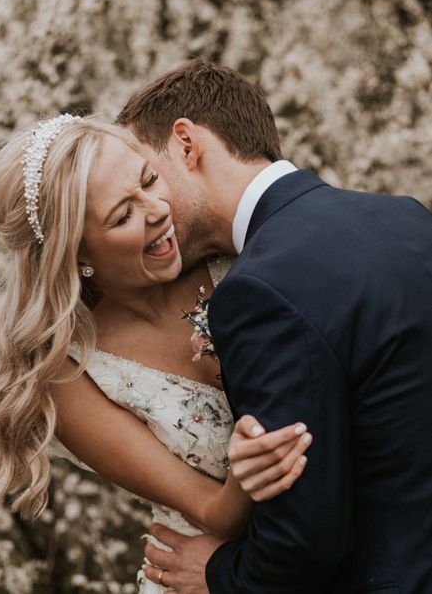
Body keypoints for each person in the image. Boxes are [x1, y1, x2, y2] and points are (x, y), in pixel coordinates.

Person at [0, 113, 311, 593]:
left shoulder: (228, 250)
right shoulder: (72, 375)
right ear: (77, 254)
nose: (157, 210)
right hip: (202, 576)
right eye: (122, 215)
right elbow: (212, 512)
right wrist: (246, 471)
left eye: (149, 179)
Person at [116, 60, 432, 593]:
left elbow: (306, 538)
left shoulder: (259, 290)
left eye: (148, 176)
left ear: (187, 144)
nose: (151, 209)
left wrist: (219, 574)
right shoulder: (406, 217)